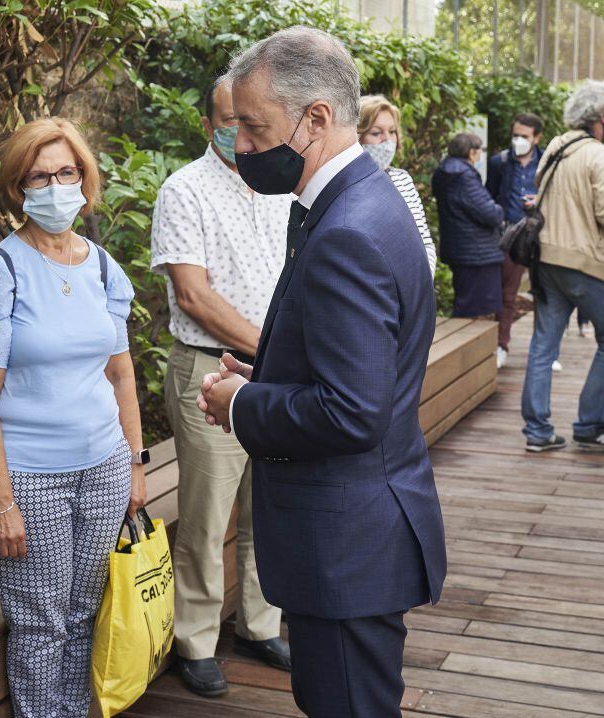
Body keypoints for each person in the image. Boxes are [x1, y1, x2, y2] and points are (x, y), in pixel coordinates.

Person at [197, 26, 446, 717]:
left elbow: (352, 411)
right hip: (359, 536)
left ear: (316, 119)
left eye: (252, 126)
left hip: (347, 547)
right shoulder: (364, 198)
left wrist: (242, 403)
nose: (241, 145)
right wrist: (268, 368)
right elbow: (361, 361)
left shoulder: (346, 233)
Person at [0, 118, 146, 718]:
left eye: (68, 172)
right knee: (41, 625)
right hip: (28, 480)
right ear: (18, 188)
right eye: (40, 176)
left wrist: (136, 466)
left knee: (83, 611)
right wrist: (2, 501)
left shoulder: (102, 266)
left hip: (104, 468)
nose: (56, 186)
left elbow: (121, 374)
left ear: (86, 180)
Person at [150, 77, 292, 697]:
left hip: (277, 377)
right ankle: (196, 639)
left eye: (252, 118)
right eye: (231, 119)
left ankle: (261, 625)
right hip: (210, 369)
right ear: (210, 124)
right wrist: (278, 349)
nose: (243, 128)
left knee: (271, 507)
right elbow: (193, 295)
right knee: (206, 520)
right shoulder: (185, 189)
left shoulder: (284, 185)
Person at [520, 80, 604, 453]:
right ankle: (588, 425)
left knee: (542, 347)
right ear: (599, 117)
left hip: (546, 259)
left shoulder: (556, 145)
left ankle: (537, 433)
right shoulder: (598, 155)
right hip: (583, 263)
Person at [486, 112, 546, 369]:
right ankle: (502, 345)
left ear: (537, 138)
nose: (518, 140)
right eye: (516, 135)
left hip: (541, 234)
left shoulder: (546, 163)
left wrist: (538, 201)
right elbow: (490, 193)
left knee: (544, 293)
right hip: (510, 235)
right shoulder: (499, 162)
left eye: (524, 136)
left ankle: (544, 350)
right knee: (507, 294)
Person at [357, 94, 437, 277]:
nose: (388, 141)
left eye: (392, 132)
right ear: (356, 136)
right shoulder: (343, 182)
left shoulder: (402, 180)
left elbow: (423, 241)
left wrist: (420, 284)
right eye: (376, 133)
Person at [432, 133, 506, 320]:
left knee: (466, 303)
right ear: (472, 152)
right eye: (479, 151)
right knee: (478, 310)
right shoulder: (464, 176)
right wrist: (498, 209)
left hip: (460, 248)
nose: (481, 155)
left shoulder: (444, 172)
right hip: (477, 253)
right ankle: (475, 349)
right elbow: (489, 213)